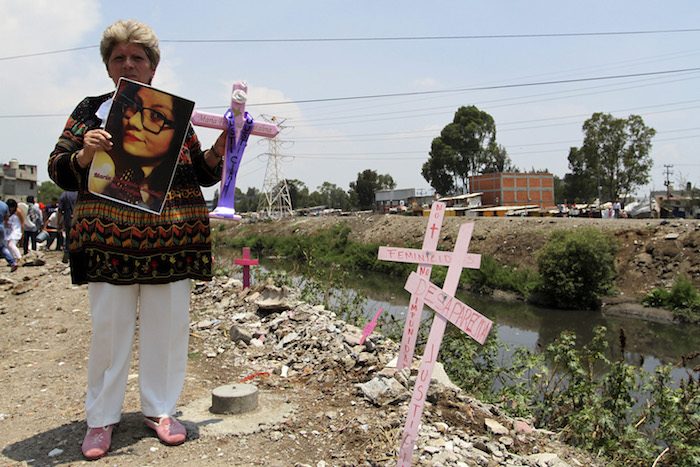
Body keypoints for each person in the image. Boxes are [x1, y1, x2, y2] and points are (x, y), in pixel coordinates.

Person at [48, 19, 227, 461]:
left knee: (168, 331)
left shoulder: (174, 115)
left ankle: (160, 410)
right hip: (109, 241)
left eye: (138, 57)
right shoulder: (89, 110)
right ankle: (100, 419)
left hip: (170, 240)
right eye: (119, 57)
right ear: (109, 66)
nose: (128, 63)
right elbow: (57, 168)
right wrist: (83, 152)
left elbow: (199, 172)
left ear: (153, 66)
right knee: (109, 333)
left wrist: (222, 150)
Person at [89, 81, 191, 212]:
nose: (133, 121)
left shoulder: (175, 182)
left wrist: (217, 153)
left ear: (179, 132)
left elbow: (205, 172)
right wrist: (83, 157)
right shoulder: (104, 170)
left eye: (157, 116)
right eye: (132, 106)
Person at [57, 190, 77, 263]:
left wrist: (58, 223)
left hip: (68, 220)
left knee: (68, 238)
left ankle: (67, 254)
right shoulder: (80, 193)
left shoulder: (64, 195)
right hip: (78, 220)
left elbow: (60, 211)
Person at [0, 197, 19, 271]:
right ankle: (12, 262)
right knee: (2, 247)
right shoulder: (4, 205)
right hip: (1, 228)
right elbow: (7, 218)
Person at [5, 199, 24, 266]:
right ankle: (12, 260)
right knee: (8, 246)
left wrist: (22, 232)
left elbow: (22, 222)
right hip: (9, 231)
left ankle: (20, 258)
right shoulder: (8, 212)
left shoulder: (18, 211)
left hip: (16, 230)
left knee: (11, 245)